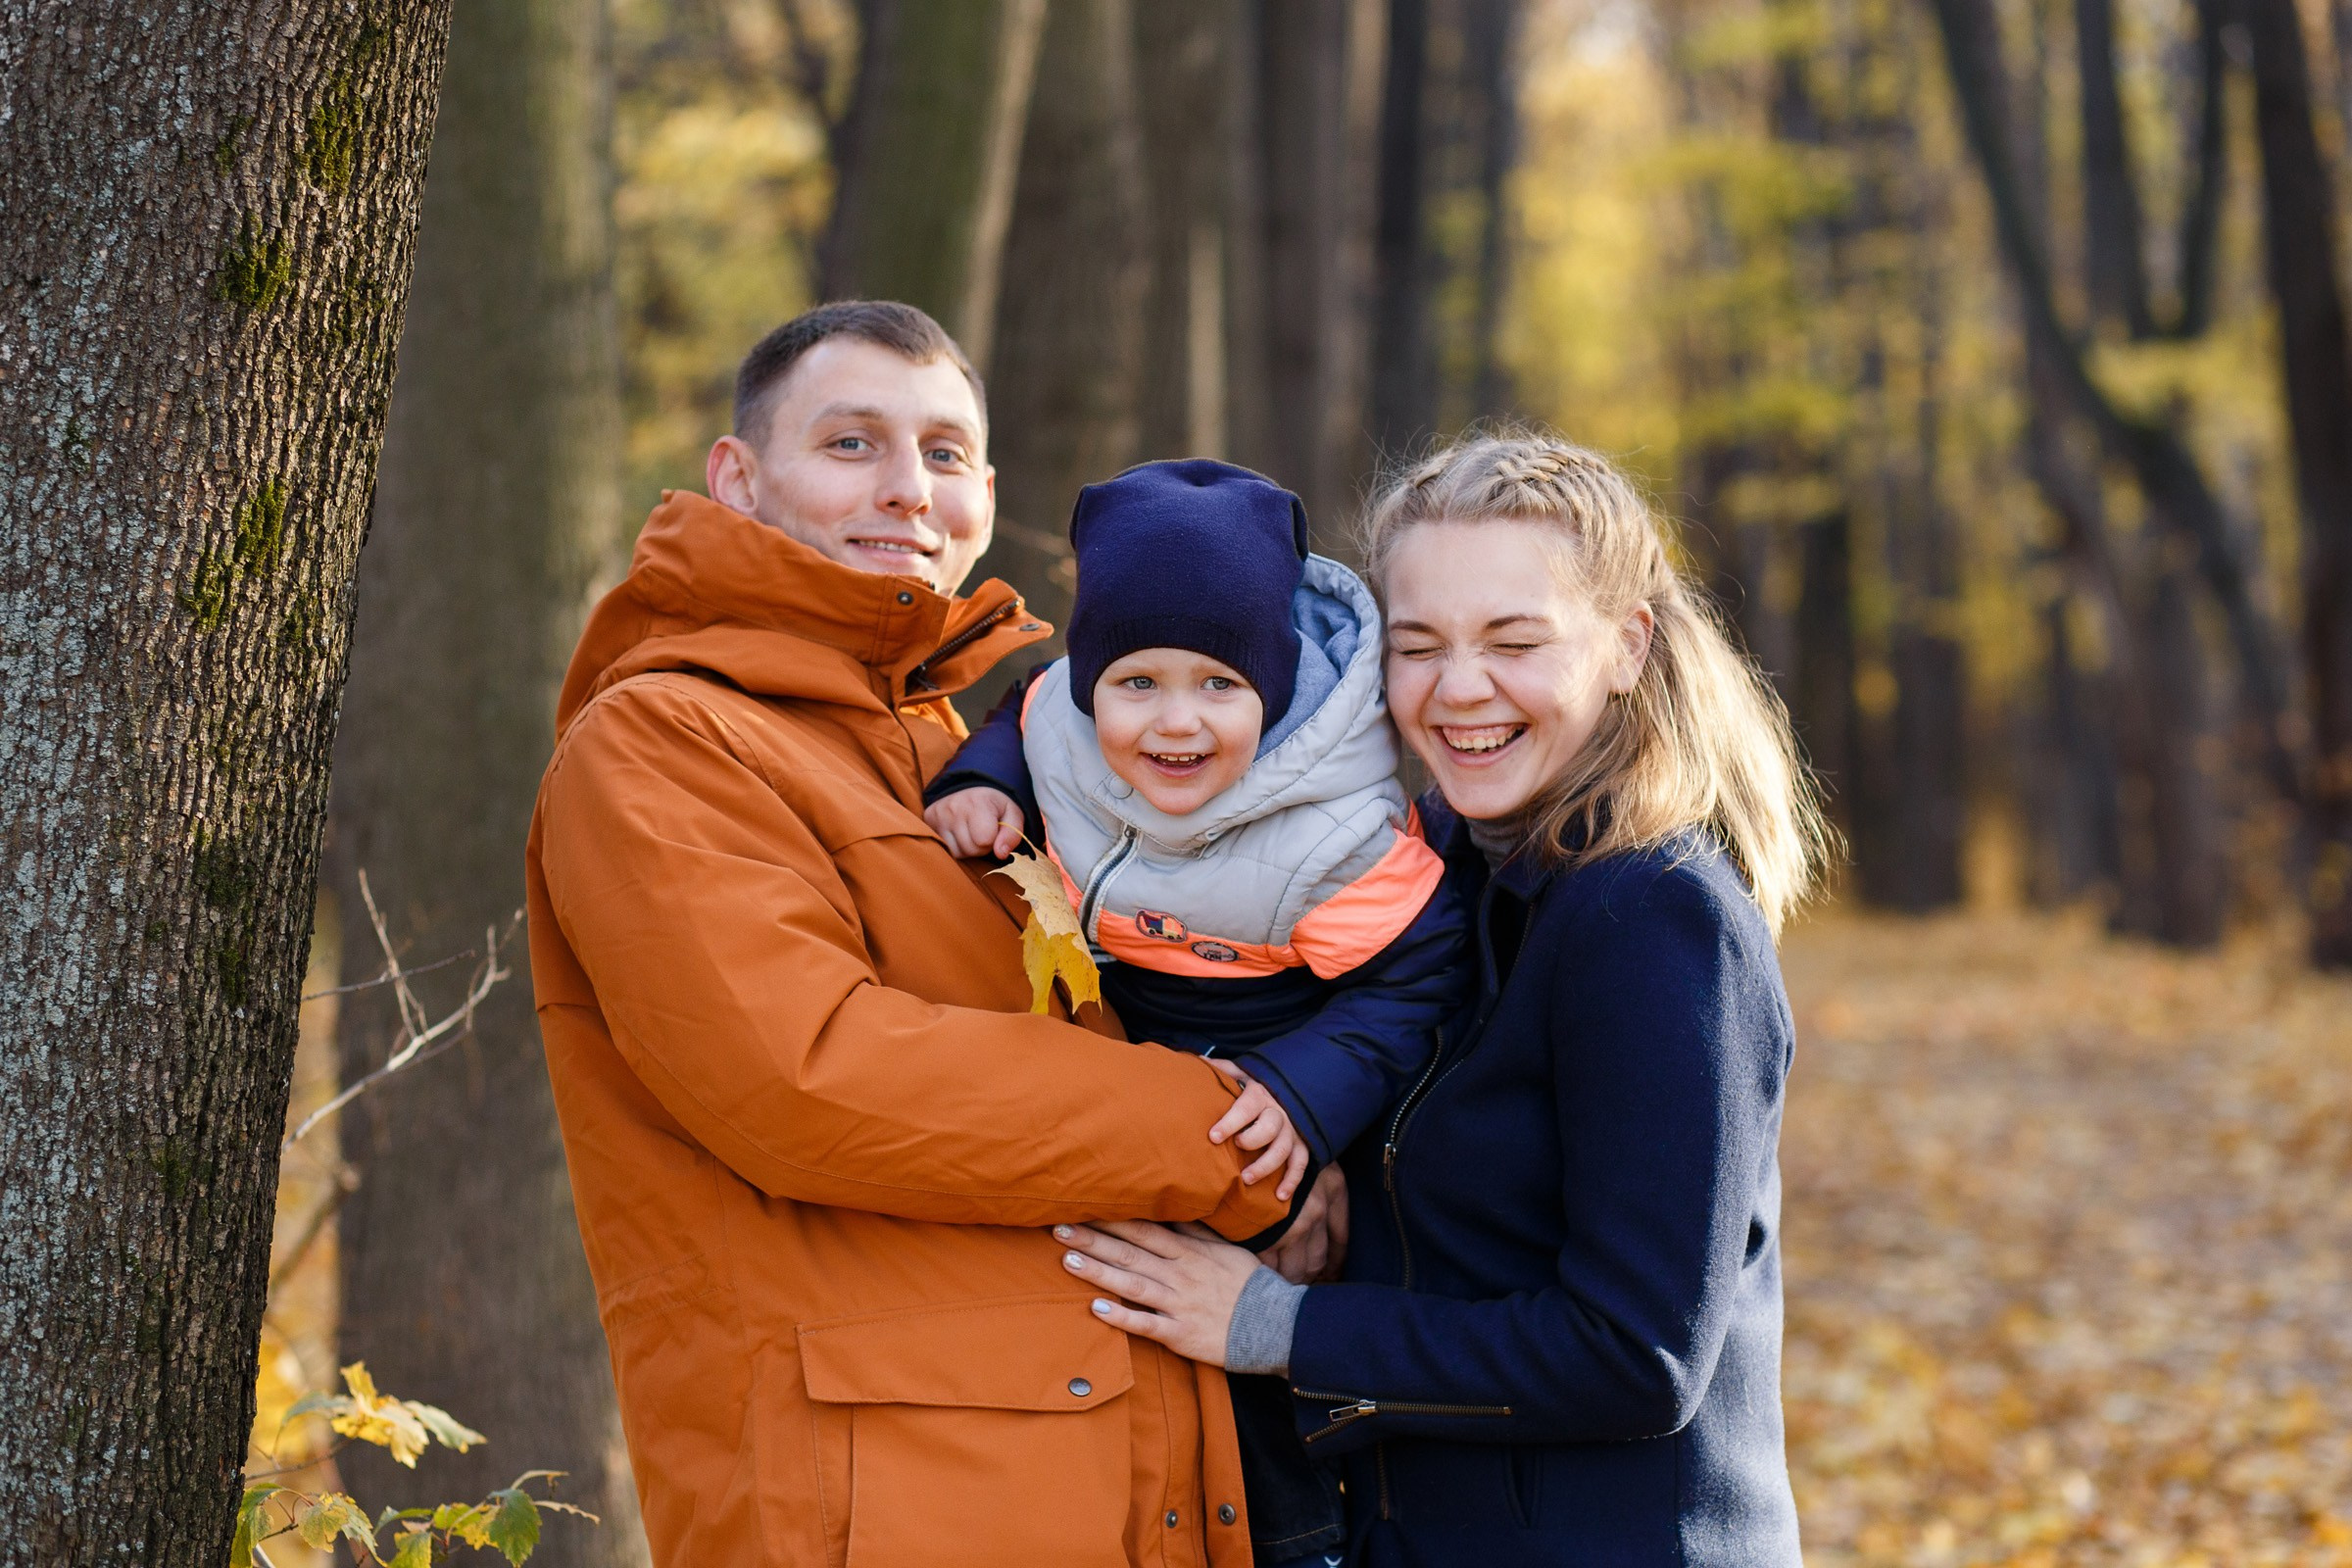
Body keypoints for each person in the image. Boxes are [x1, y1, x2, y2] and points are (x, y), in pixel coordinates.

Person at [525, 301, 1310, 1568]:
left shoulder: (971, 754)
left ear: (987, 495)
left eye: (944, 455)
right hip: (882, 1504)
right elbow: (811, 1077)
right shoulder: (666, 741)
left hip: (1092, 1474)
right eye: (852, 445)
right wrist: (1234, 1138)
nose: (907, 490)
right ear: (739, 477)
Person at [1054, 430, 1830, 1566]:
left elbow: (1638, 1353)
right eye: (1419, 647)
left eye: (1515, 642)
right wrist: (1320, 1194)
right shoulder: (1433, 872)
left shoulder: (1652, 916)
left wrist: (1275, 1326)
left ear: (1627, 647)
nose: (1460, 688)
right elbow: (1465, 1211)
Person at [922, 458, 1469, 1566]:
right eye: (1137, 684)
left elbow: (1421, 974)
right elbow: (1017, 719)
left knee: (1258, 1331)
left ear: (1270, 685)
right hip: (1134, 1056)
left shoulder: (1332, 834)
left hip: (1281, 1072)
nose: (1176, 724)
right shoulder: (1060, 721)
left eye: (1219, 685)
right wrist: (980, 785)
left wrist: (1311, 1093)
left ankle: (1311, 1534)